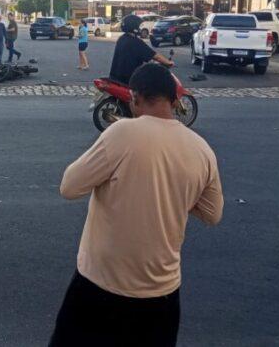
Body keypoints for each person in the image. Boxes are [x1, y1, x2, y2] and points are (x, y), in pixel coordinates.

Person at [50, 63, 224, 346]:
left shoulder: (122, 134)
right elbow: (212, 214)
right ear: (175, 100)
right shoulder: (201, 149)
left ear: (134, 98)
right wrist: (174, 190)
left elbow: (69, 187)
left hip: (100, 285)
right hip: (162, 294)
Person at [109, 14, 173, 84]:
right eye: (139, 25)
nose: (140, 28)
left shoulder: (122, 39)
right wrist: (168, 62)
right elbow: (156, 56)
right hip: (129, 80)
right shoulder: (135, 42)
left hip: (115, 78)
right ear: (133, 26)